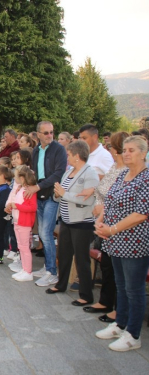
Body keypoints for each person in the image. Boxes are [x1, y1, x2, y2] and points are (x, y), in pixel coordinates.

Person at [94, 136, 149, 352]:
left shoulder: (145, 179)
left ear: (144, 153)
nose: (126, 153)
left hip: (134, 242)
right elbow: (110, 201)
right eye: (124, 150)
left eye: (132, 150)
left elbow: (141, 214)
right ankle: (120, 323)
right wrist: (100, 223)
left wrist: (113, 228)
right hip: (114, 240)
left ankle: (133, 334)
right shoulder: (123, 174)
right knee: (121, 285)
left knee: (134, 289)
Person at [45, 141, 99, 306]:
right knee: (64, 254)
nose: (66, 157)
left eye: (68, 154)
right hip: (66, 220)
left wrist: (64, 194)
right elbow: (62, 193)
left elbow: (87, 200)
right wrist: (57, 194)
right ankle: (61, 285)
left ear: (77, 155)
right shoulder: (68, 172)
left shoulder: (90, 173)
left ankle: (86, 295)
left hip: (82, 222)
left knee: (81, 258)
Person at [83, 132, 128, 323]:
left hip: (117, 224)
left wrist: (104, 209)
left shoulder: (125, 171)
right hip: (104, 221)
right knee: (107, 264)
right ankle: (106, 301)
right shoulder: (114, 167)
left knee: (116, 269)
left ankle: (118, 308)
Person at [25, 121, 67, 287]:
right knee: (43, 234)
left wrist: (38, 186)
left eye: (51, 132)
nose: (50, 135)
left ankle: (52, 272)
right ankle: (47, 267)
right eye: (46, 132)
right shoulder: (36, 150)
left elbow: (58, 173)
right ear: (38, 134)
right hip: (40, 194)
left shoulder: (59, 149)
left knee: (45, 233)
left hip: (50, 194)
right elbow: (35, 170)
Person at [7, 166, 38, 281]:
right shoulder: (20, 189)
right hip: (17, 221)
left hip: (24, 222)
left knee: (25, 248)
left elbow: (33, 207)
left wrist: (17, 206)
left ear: (22, 178)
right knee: (21, 246)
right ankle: (25, 269)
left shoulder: (29, 191)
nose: (14, 179)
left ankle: (28, 271)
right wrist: (11, 207)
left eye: (16, 177)